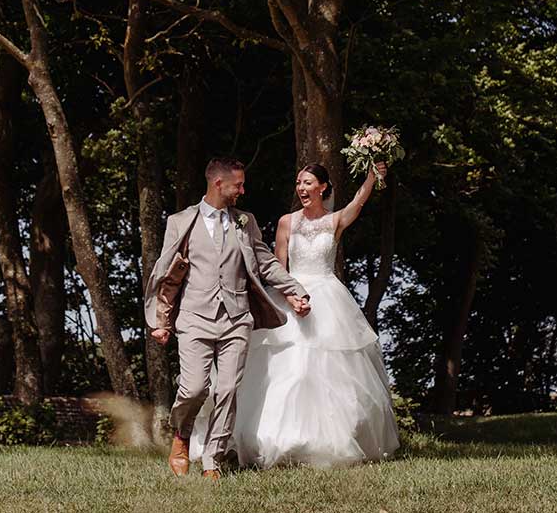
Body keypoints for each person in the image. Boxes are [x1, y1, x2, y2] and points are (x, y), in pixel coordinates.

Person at [195, 161, 399, 468]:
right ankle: (268, 440)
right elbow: (278, 267)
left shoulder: (335, 221)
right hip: (291, 296)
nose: (302, 188)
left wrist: (373, 174)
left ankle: (325, 442)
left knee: (322, 373)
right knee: (283, 371)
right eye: (299, 183)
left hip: (328, 301)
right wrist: (291, 297)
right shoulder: (287, 222)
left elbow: (358, 202)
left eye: (308, 183)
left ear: (323, 187)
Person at [144, 157, 311, 480]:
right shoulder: (181, 222)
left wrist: (296, 288)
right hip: (194, 317)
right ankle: (181, 434)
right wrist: (161, 321)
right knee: (193, 388)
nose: (242, 190)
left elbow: (265, 263)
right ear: (218, 183)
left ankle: (212, 460)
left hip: (236, 318)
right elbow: (167, 276)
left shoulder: (245, 222)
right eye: (238, 184)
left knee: (228, 390)